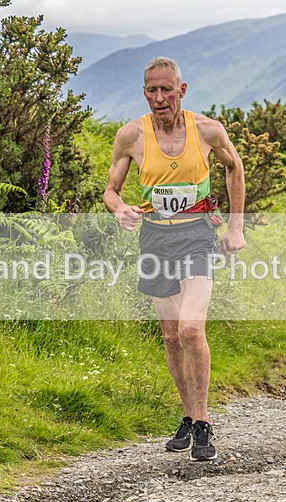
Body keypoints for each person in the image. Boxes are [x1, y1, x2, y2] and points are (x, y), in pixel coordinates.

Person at [103, 56, 245, 461]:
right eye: (152, 90)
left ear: (182, 90)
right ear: (144, 93)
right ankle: (188, 415)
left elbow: (234, 168)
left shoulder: (207, 130)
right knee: (169, 336)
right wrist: (119, 209)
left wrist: (235, 227)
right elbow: (111, 189)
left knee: (190, 330)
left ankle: (202, 425)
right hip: (154, 241)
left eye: (167, 89)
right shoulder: (131, 135)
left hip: (197, 237)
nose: (160, 97)